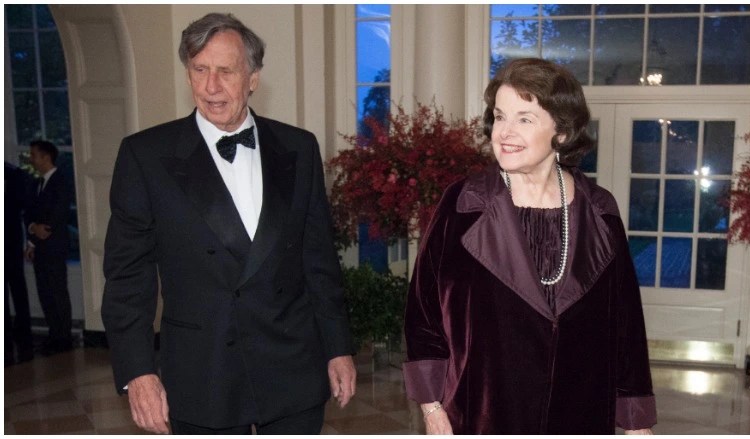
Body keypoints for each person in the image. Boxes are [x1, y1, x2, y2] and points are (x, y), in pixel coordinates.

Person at [101, 13, 356, 435]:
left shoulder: (298, 148)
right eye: (199, 70)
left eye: (225, 71)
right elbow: (128, 277)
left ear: (253, 77)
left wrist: (338, 348)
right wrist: (138, 372)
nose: (211, 86)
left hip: (292, 370)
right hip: (203, 375)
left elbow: (319, 261)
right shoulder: (145, 157)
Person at [403, 58, 656, 434]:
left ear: (563, 132)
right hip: (481, 414)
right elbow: (423, 312)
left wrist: (635, 420)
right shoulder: (463, 205)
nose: (505, 132)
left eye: (524, 118)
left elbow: (626, 323)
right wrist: (432, 408)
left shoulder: (600, 211)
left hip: (579, 411)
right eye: (500, 116)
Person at [25, 140, 74, 356]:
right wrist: (32, 235)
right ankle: (54, 333)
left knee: (57, 291)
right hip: (41, 247)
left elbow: (60, 211)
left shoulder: (60, 180)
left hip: (54, 246)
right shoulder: (38, 183)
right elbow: (31, 213)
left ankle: (63, 336)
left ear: (46, 157)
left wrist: (47, 228)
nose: (31, 159)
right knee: (45, 291)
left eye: (34, 155)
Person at [5, 162, 34, 364]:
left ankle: (20, 331)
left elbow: (23, 206)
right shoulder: (14, 173)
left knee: (17, 286)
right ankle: (12, 333)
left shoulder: (14, 175)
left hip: (11, 240)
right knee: (16, 287)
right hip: (11, 239)